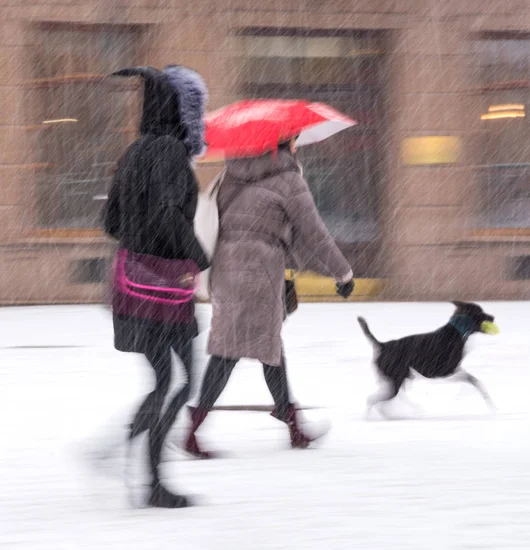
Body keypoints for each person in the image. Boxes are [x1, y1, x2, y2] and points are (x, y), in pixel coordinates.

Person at [184, 137, 355, 458]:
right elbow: (314, 232)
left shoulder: (232, 174)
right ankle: (193, 428)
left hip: (226, 268)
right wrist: (342, 272)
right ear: (281, 146)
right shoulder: (289, 179)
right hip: (258, 272)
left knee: (264, 343)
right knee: (230, 351)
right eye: (293, 142)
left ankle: (291, 420)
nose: (296, 148)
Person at [103, 65, 209, 508]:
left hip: (131, 281)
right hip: (162, 288)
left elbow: (109, 221)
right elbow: (167, 213)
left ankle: (132, 455)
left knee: (166, 379)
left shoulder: (134, 151)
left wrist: (138, 235)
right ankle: (153, 481)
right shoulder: (169, 153)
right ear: (184, 115)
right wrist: (198, 255)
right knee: (180, 382)